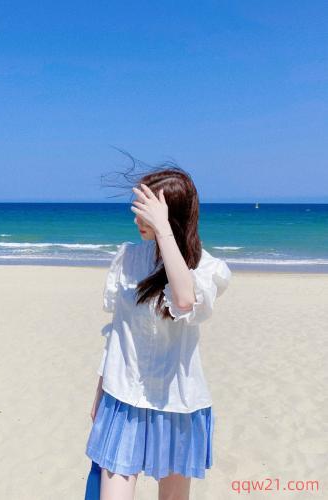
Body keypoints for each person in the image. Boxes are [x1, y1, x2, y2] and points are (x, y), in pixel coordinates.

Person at [84, 166, 232, 500]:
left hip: (177, 404)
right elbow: (116, 333)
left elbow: (184, 300)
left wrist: (164, 230)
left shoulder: (206, 269)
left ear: (170, 214)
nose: (136, 218)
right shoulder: (128, 258)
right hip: (123, 399)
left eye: (146, 210)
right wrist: (99, 395)